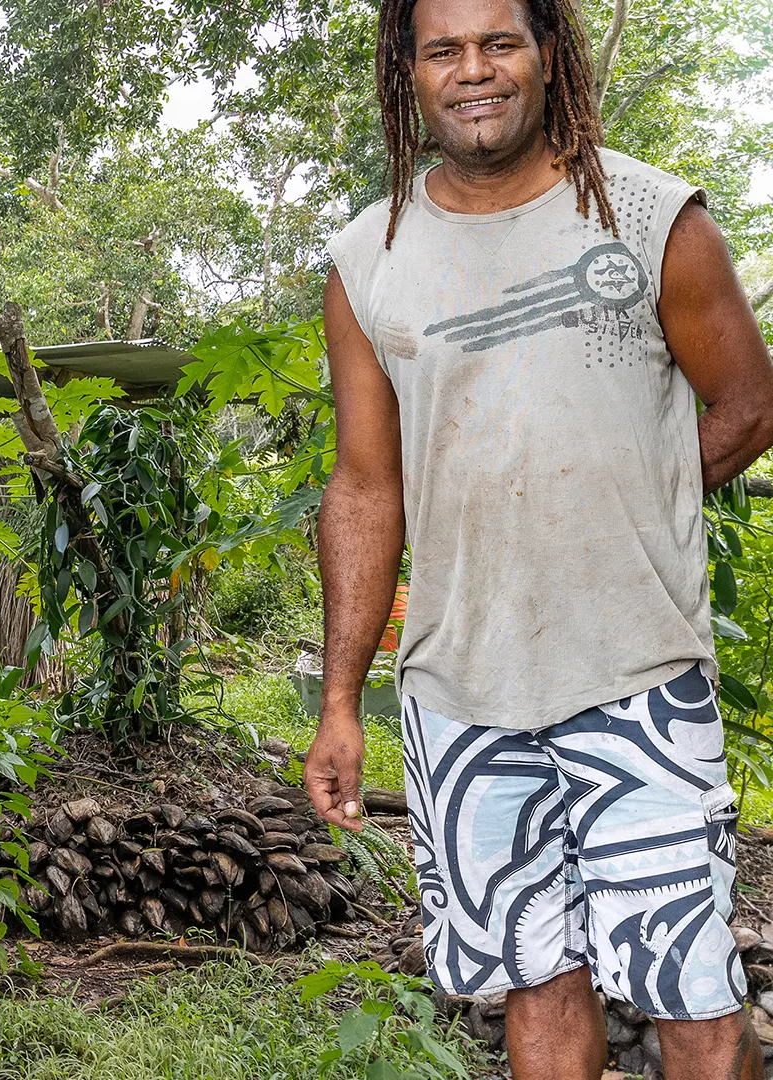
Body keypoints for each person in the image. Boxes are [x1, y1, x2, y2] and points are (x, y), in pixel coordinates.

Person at [308, 0, 773, 1075]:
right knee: (536, 979)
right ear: (408, 68)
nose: (475, 71)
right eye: (444, 49)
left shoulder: (649, 214)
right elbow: (366, 485)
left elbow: (748, 404)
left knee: (692, 995)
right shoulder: (367, 257)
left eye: (500, 42)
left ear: (546, 52)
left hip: (637, 678)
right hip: (461, 697)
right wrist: (339, 703)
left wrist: (636, 505)